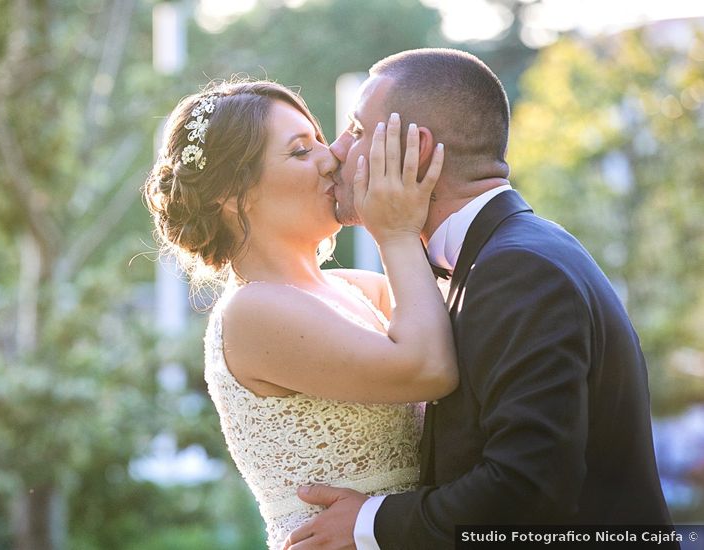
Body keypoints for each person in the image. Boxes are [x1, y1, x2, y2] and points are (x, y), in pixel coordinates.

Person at [284, 48, 676, 549]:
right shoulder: (505, 255)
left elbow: (527, 486)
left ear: (414, 150)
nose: (336, 151)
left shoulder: (520, 270)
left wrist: (370, 523)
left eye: (357, 131)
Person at [142, 79, 457, 549]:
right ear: (231, 194)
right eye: (300, 150)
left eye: (320, 140)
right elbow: (429, 369)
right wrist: (394, 233)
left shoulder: (362, 288)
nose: (331, 158)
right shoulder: (253, 311)